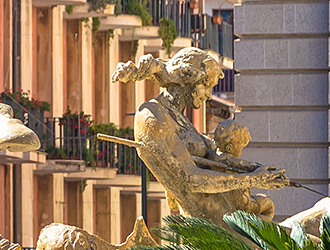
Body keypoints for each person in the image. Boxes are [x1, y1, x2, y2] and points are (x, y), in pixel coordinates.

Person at [112, 47, 287, 221]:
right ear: (188, 80)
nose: (209, 96)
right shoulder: (153, 117)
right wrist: (252, 179)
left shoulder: (178, 116)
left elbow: (213, 158)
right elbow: (191, 178)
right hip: (210, 223)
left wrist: (255, 168)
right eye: (206, 86)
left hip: (229, 211)